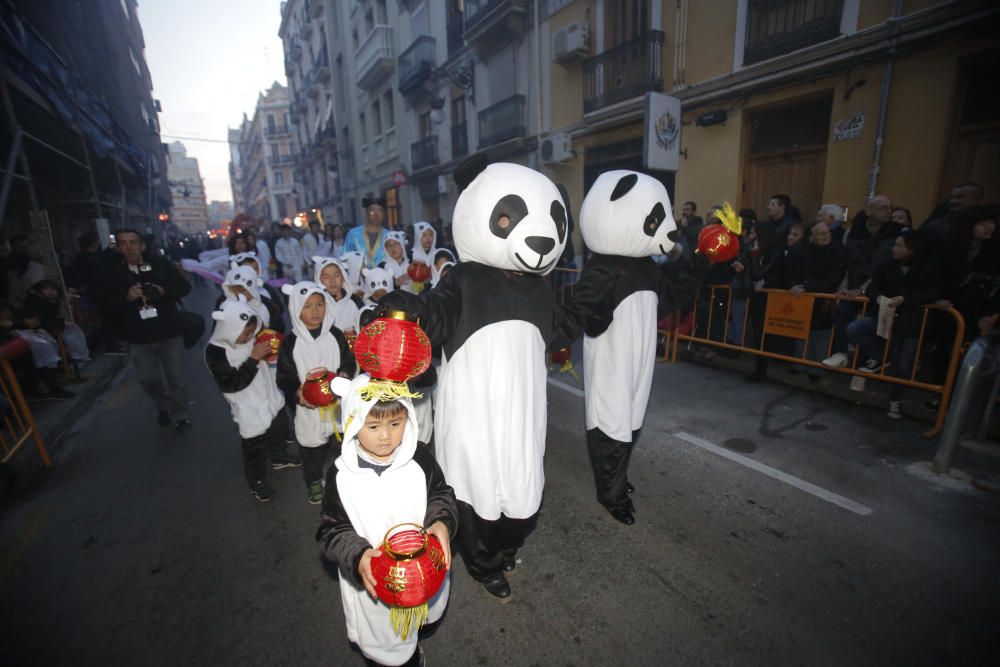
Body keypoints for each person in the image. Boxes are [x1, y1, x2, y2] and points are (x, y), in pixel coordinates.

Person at [317, 374, 457, 667]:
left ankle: (416, 641)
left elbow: (441, 494)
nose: (385, 436)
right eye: (373, 426)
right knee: (391, 654)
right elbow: (331, 530)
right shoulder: (341, 475)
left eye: (395, 424)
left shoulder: (419, 457)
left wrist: (441, 522)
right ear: (353, 422)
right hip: (376, 586)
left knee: (425, 621)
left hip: (423, 572)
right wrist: (358, 555)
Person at [95, 229, 193, 431]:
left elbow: (184, 287)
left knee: (177, 378)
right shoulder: (111, 273)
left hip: (169, 331)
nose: (129, 247)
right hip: (138, 336)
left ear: (142, 245)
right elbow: (104, 305)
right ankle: (163, 405)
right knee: (148, 379)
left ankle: (181, 415)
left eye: (133, 242)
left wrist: (163, 290)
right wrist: (127, 298)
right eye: (123, 243)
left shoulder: (160, 265)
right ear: (118, 247)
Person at [205, 298, 300, 502]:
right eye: (245, 333)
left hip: (269, 394)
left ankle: (279, 456)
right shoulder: (215, 352)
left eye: (251, 331)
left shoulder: (251, 339)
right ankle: (256, 482)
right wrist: (254, 358)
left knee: (280, 427)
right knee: (254, 448)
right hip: (247, 405)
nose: (249, 337)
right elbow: (232, 383)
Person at [275, 281, 355, 504]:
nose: (315, 311)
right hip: (309, 410)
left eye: (320, 304)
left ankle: (344, 478)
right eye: (307, 306)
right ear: (296, 309)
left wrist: (345, 373)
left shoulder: (335, 335)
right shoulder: (290, 344)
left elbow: (348, 359)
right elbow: (284, 376)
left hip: (337, 406)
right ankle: (313, 481)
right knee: (312, 450)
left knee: (344, 446)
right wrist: (297, 392)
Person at [847, 232, 941, 418]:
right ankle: (879, 357)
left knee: (904, 366)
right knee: (856, 328)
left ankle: (895, 400)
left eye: (899, 245)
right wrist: (879, 297)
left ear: (912, 249)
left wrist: (906, 299)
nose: (894, 248)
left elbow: (932, 292)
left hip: (911, 323)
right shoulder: (887, 265)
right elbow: (873, 288)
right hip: (885, 316)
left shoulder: (929, 269)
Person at [786, 222, 848, 382]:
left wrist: (807, 286)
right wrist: (794, 285)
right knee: (801, 331)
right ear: (811, 236)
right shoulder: (800, 249)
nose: (826, 236)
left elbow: (835, 277)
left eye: (827, 232)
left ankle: (816, 369)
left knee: (821, 335)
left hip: (825, 297)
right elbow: (791, 270)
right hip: (802, 297)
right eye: (821, 234)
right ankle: (799, 364)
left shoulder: (838, 250)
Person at [12, 304, 74, 399]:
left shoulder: (35, 329)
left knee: (45, 370)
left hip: (37, 358)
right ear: (23, 319)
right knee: (41, 371)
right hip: (25, 360)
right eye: (31, 318)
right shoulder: (16, 332)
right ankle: (52, 391)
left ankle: (52, 390)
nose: (35, 321)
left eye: (36, 318)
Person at [314, 256, 362, 337]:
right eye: (326, 277)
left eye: (336, 275)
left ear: (343, 277)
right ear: (319, 280)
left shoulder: (355, 301)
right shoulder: (317, 305)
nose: (332, 280)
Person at [344, 198, 388, 268]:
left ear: (384, 214)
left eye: (380, 210)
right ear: (366, 213)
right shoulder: (353, 234)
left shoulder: (388, 236)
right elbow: (344, 258)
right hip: (358, 277)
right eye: (372, 210)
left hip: (383, 277)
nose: (376, 214)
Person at [6, 235, 46, 309]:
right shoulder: (12, 262)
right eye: (20, 247)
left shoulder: (34, 267)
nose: (24, 249)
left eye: (25, 247)